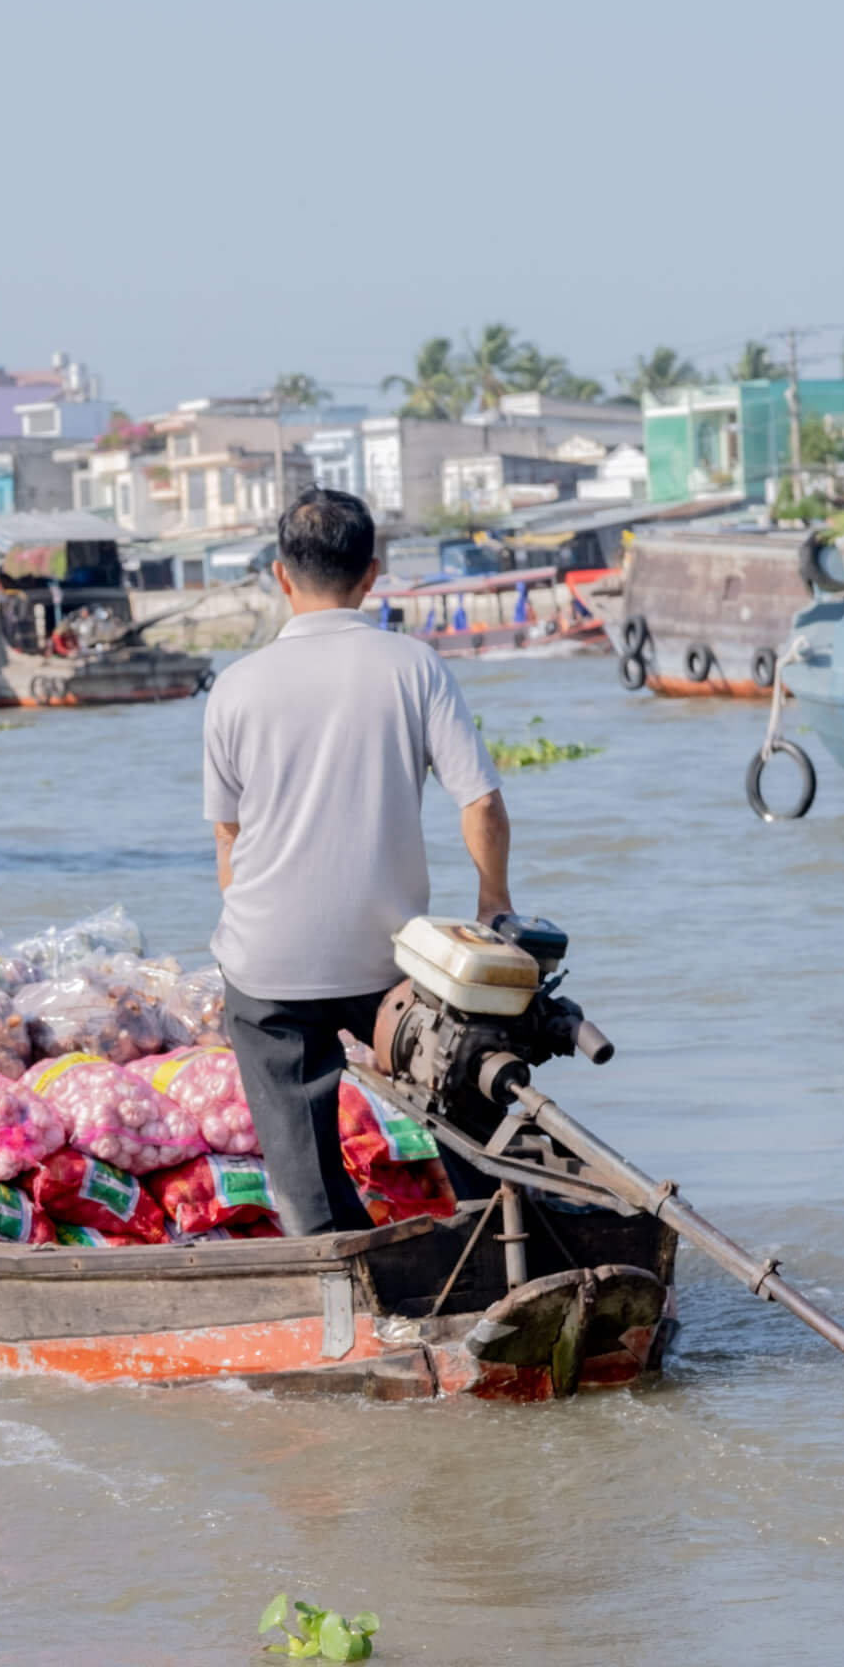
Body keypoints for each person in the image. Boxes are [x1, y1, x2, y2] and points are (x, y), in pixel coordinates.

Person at [202, 488, 511, 1235]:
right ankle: (495, 1225)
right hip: (389, 962)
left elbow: (228, 846)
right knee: (460, 1100)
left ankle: (334, 1253)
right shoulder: (415, 667)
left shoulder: (235, 687)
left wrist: (260, 938)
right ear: (372, 574)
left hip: (268, 964)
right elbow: (483, 805)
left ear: (281, 576)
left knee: (302, 1171)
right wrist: (492, 906)